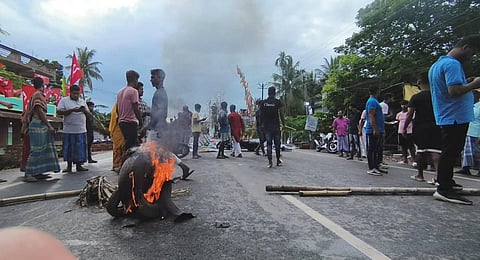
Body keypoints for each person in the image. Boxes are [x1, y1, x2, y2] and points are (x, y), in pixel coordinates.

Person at [429, 35, 480, 205]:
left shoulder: (438, 64)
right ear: (466, 47)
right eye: (472, 52)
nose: (472, 56)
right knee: (450, 152)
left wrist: (466, 82)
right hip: (455, 116)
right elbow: (454, 91)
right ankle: (444, 189)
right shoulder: (453, 64)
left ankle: (447, 182)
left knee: (450, 151)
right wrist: (474, 84)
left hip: (448, 114)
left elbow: (449, 88)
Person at [147, 68, 193, 180]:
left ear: (160, 78)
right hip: (159, 128)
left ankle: (158, 176)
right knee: (161, 151)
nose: (151, 80)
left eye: (153, 77)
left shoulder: (159, 93)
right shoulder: (160, 93)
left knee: (151, 151)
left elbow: (160, 112)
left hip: (157, 128)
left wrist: (148, 127)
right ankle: (181, 167)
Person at [405, 73, 441, 183]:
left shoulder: (416, 97)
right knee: (436, 151)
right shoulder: (437, 96)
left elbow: (410, 114)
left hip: (421, 126)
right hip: (436, 125)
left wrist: (405, 127)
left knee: (421, 150)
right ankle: (437, 176)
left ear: (419, 83)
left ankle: (420, 175)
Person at [23, 77, 60, 182]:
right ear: (42, 85)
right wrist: (49, 125)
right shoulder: (38, 95)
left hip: (40, 124)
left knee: (43, 148)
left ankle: (38, 171)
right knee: (36, 149)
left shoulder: (36, 95)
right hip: (38, 124)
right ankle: (29, 173)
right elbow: (39, 111)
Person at [57, 84, 89, 173]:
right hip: (69, 130)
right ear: (70, 93)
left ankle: (79, 165)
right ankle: (69, 166)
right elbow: (59, 111)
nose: (76, 95)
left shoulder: (82, 101)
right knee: (69, 148)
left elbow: (89, 114)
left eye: (77, 94)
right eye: (74, 93)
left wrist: (84, 110)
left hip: (81, 129)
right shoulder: (64, 100)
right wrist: (72, 110)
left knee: (80, 148)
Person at [117, 70, 142, 151]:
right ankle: (127, 161)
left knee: (128, 144)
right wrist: (140, 121)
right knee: (133, 147)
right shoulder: (134, 91)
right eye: (137, 80)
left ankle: (124, 159)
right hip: (130, 123)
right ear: (135, 79)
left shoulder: (120, 92)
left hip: (122, 123)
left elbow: (117, 109)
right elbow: (136, 109)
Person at [365, 86, 387, 176]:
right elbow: (371, 116)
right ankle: (372, 168)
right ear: (377, 91)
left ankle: (376, 166)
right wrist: (375, 129)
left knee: (377, 149)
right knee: (372, 149)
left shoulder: (375, 101)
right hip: (373, 129)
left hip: (379, 128)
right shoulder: (372, 102)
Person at [260, 87, 285, 168]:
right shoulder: (277, 102)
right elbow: (281, 114)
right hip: (276, 127)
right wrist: (283, 124)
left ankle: (270, 162)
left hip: (267, 127)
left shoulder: (264, 103)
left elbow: (260, 115)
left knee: (269, 144)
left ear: (268, 93)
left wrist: (261, 125)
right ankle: (278, 161)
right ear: (275, 93)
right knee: (277, 144)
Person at [458, 92, 480, 176]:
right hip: (468, 132)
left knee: (477, 153)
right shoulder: (470, 106)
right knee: (467, 152)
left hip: (476, 132)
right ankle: (465, 168)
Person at [396, 100, 415, 165]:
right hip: (401, 132)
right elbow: (398, 122)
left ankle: (414, 159)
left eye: (405, 104)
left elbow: (413, 121)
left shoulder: (411, 113)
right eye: (402, 105)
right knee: (403, 146)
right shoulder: (399, 114)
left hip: (409, 131)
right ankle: (405, 159)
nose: (404, 106)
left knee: (411, 146)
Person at [109, 103, 124, 172]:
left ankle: (121, 164)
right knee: (118, 148)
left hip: (122, 128)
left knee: (122, 147)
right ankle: (116, 165)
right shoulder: (119, 105)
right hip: (117, 128)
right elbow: (116, 116)